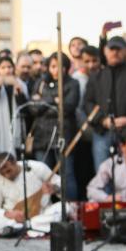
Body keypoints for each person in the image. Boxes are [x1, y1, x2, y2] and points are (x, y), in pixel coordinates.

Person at [84, 36, 126, 172]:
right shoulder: (96, 77)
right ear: (105, 51)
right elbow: (88, 102)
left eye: (118, 49)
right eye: (112, 49)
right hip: (103, 132)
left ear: (125, 51)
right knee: (103, 173)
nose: (115, 52)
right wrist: (102, 120)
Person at [29, 53, 80, 199]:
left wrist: (44, 101)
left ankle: (70, 206)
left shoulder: (72, 83)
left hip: (63, 135)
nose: (56, 70)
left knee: (66, 173)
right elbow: (33, 109)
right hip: (41, 136)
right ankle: (43, 207)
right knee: (41, 175)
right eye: (53, 66)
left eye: (60, 66)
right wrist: (55, 99)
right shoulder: (40, 83)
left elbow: (67, 108)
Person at [0, 153, 63, 236]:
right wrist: (8, 214)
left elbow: (60, 183)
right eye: (2, 174)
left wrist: (55, 188)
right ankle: (27, 227)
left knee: (63, 207)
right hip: (14, 219)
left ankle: (26, 227)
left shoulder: (36, 167)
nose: (6, 176)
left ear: (15, 162)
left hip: (41, 213)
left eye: (8, 171)